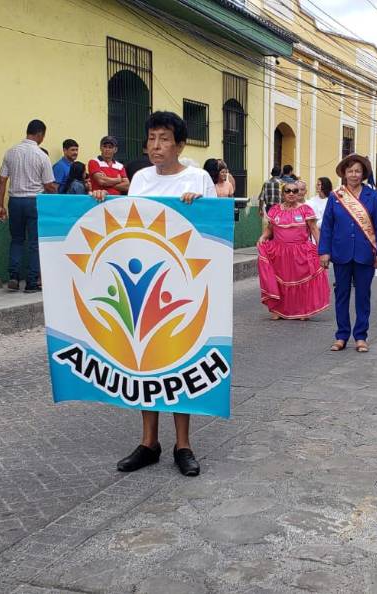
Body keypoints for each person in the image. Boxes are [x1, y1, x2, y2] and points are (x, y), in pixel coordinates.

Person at [90, 111, 216, 478]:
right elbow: (127, 221)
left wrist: (200, 206)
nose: (156, 146)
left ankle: (183, 444)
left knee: (180, 360)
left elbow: (212, 231)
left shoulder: (199, 178)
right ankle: (149, 443)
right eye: (151, 139)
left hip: (184, 285)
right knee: (143, 361)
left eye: (164, 138)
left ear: (180, 144)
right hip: (143, 282)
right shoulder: (140, 178)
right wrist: (100, 198)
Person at [319, 154, 377, 353]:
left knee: (363, 296)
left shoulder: (372, 196)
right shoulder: (336, 196)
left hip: (366, 253)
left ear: (363, 173)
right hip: (341, 252)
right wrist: (324, 251)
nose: (354, 174)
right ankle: (341, 335)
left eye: (358, 171)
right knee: (341, 295)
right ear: (344, 173)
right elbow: (328, 225)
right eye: (350, 171)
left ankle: (361, 336)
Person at [0, 119, 58, 293]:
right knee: (34, 243)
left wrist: (1, 205)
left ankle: (14, 277)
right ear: (40, 134)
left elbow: (2, 180)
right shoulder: (42, 156)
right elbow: (48, 185)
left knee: (16, 240)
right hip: (34, 202)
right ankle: (31, 282)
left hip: (14, 201)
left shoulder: (10, 152)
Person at [257, 179, 329, 320]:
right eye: (288, 191)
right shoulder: (275, 210)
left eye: (295, 191)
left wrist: (323, 249)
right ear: (283, 194)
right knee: (281, 281)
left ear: (299, 194)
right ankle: (278, 309)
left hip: (301, 252)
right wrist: (263, 238)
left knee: (302, 280)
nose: (291, 193)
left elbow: (314, 230)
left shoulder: (305, 210)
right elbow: (270, 229)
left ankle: (303, 310)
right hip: (279, 252)